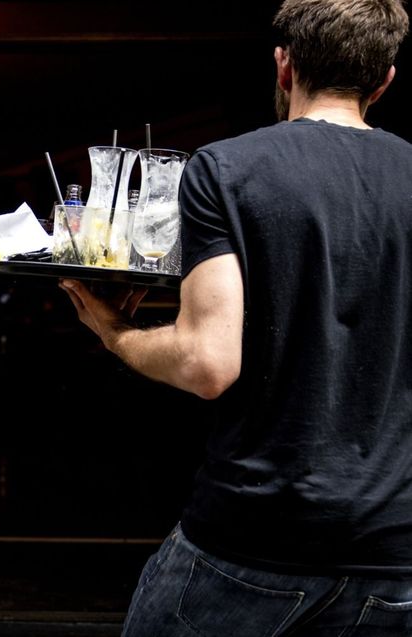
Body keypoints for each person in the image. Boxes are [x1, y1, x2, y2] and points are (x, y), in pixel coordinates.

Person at [61, 0, 412, 634]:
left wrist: (113, 332)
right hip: (396, 555)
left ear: (284, 65)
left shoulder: (227, 169)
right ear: (384, 78)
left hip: (254, 543)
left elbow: (206, 363)